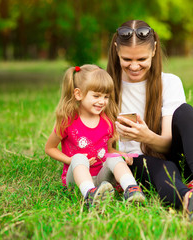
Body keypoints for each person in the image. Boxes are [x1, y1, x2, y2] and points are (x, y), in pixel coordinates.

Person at [107, 20, 193, 221]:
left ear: (154, 49)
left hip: (166, 152)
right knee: (164, 169)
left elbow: (167, 144)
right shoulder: (105, 86)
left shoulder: (169, 82)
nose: (134, 66)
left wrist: (146, 136)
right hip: (133, 162)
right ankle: (192, 201)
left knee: (186, 112)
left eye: (141, 58)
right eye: (126, 59)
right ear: (116, 50)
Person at [45, 64, 146, 209]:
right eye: (96, 96)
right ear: (78, 94)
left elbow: (108, 151)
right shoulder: (68, 121)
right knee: (79, 157)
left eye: (106, 96)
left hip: (101, 178)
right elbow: (49, 148)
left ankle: (132, 189)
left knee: (115, 159)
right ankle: (89, 195)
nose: (102, 101)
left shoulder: (107, 122)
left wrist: (121, 154)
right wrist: (71, 160)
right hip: (76, 180)